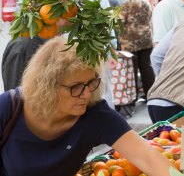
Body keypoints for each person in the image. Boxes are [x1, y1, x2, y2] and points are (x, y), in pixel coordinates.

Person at [0, 37, 173, 175]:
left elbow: (148, 157)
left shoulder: (94, 113)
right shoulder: (8, 108)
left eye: (91, 83)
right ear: (47, 86)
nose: (87, 94)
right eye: (76, 87)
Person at [77, 0, 114, 108]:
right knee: (103, 86)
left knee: (80, 86)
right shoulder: (102, 0)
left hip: (76, 50)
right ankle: (108, 120)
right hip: (100, 51)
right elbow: (108, 28)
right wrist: (112, 50)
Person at [119, 0, 154, 101]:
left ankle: (132, 98)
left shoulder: (126, 3)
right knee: (146, 68)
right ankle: (150, 94)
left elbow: (120, 22)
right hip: (146, 39)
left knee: (131, 69)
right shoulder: (145, 2)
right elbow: (150, 17)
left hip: (130, 42)